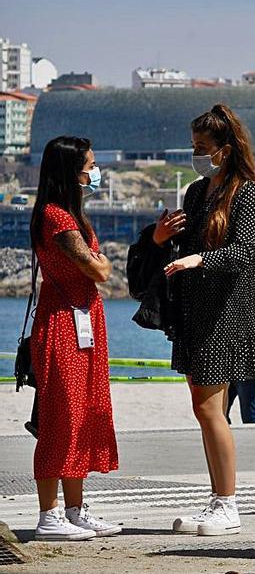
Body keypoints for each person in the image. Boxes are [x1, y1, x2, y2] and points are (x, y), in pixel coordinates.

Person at [162, 104, 255, 537]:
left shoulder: (246, 193)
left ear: (225, 150)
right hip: (196, 313)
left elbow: (245, 253)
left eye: (202, 148)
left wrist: (199, 259)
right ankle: (219, 501)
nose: (197, 154)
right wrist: (161, 239)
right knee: (205, 409)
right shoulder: (196, 192)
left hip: (227, 314)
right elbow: (182, 245)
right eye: (194, 147)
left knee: (210, 410)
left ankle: (226, 504)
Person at [28, 136, 120, 541]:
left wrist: (98, 264)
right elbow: (100, 271)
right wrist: (101, 263)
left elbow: (96, 268)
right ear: (71, 170)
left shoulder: (70, 216)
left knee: (82, 417)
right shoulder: (57, 218)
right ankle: (49, 515)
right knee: (60, 420)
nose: (93, 172)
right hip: (64, 322)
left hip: (82, 320)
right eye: (89, 165)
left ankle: (74, 509)